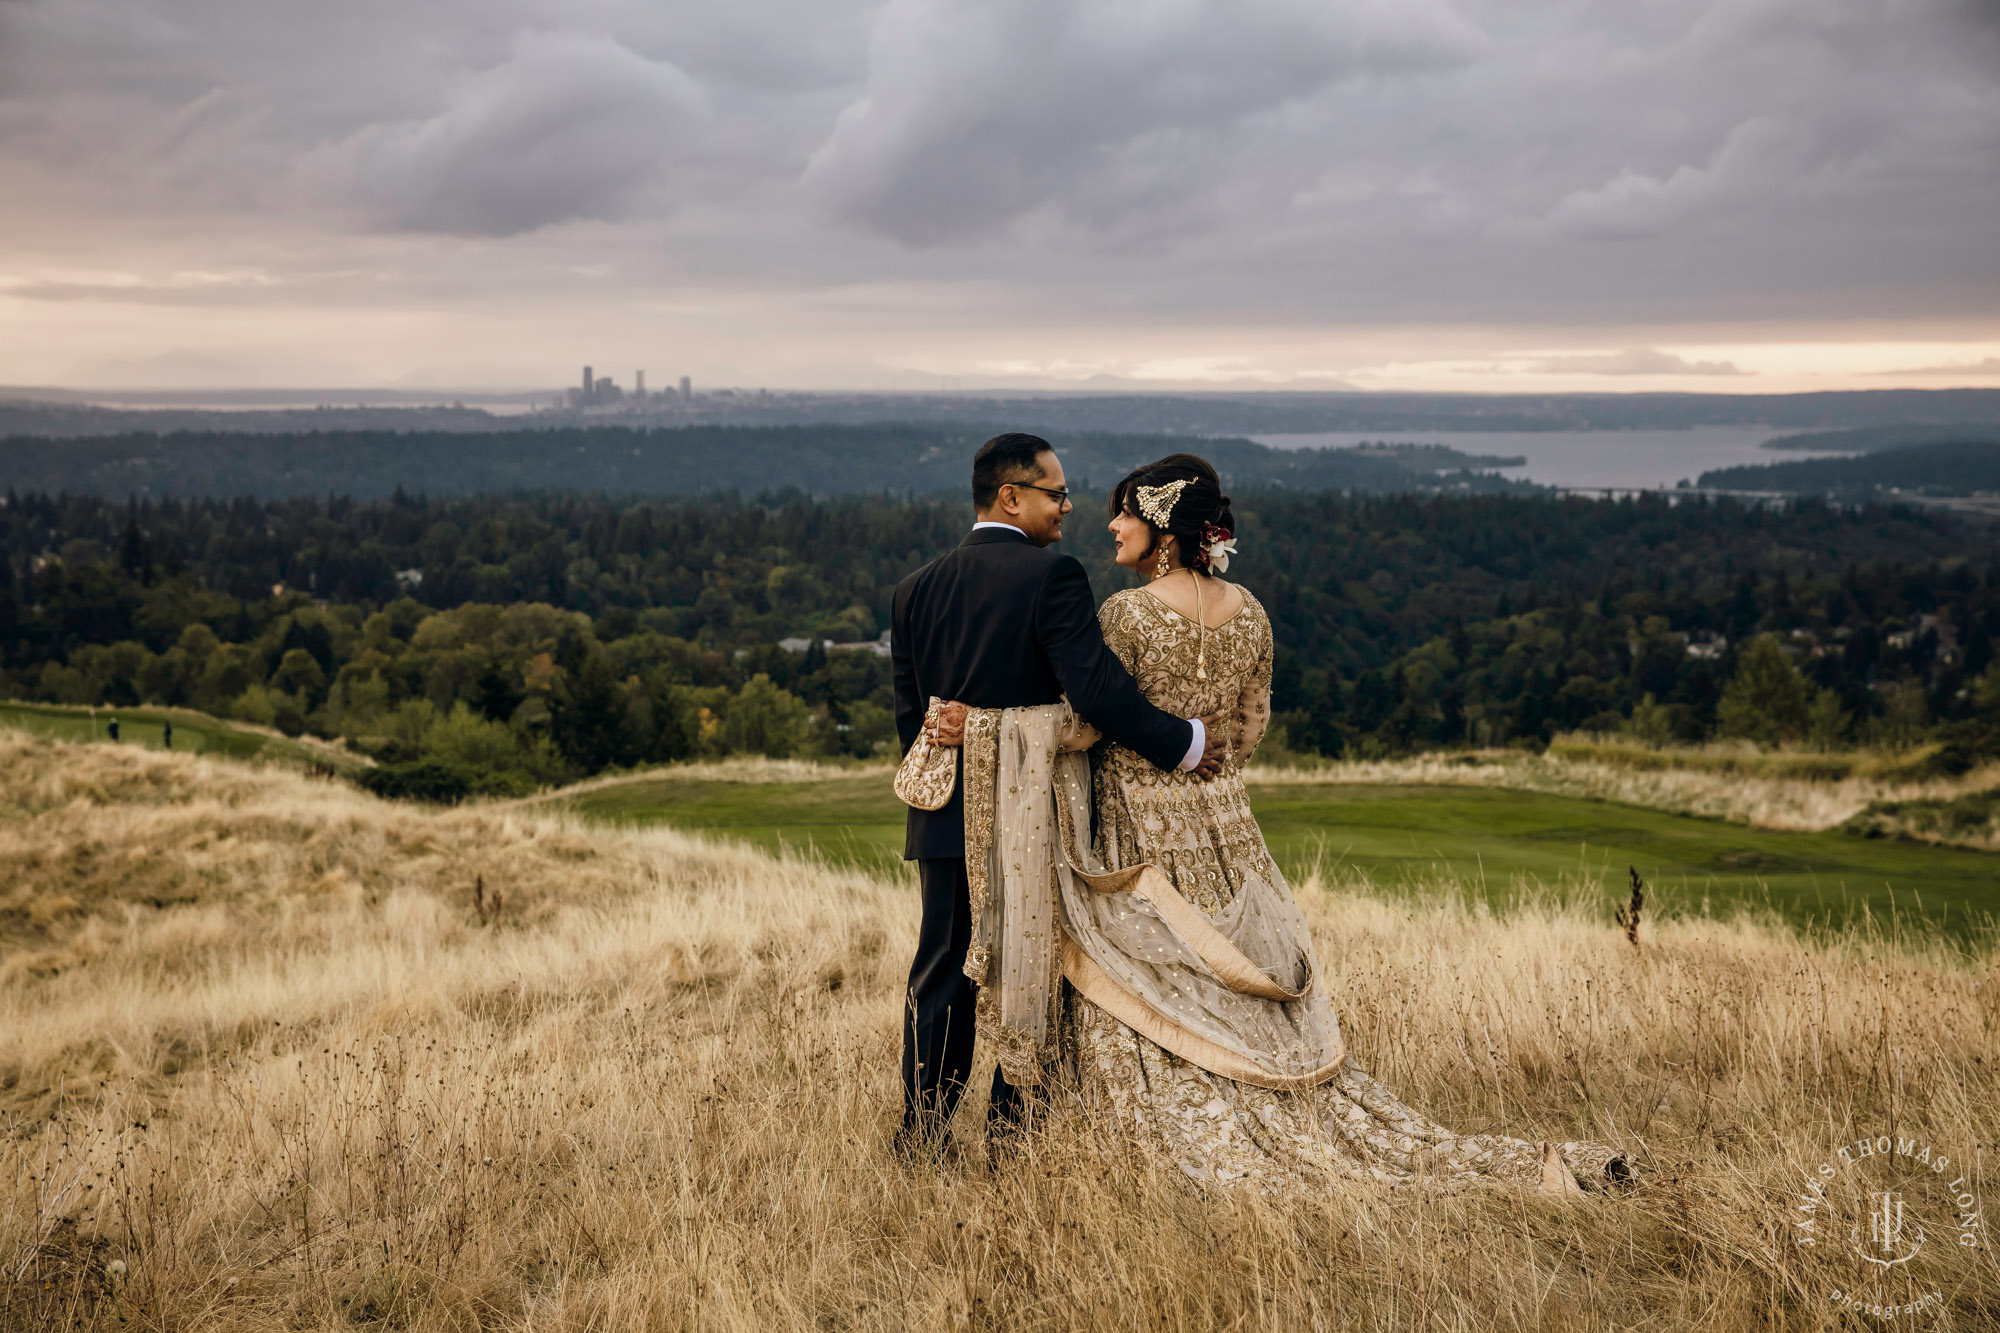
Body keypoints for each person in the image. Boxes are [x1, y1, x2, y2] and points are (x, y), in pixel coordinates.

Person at [932, 454, 1631, 1194]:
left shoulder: (1126, 615)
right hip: (1229, 833)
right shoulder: (1252, 613)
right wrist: (1206, 767)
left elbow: (1082, 725)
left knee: (1154, 982)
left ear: (1162, 529)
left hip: (1139, 833)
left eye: (1126, 513)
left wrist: (980, 726)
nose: (1110, 524)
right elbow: (1247, 728)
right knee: (1232, 971)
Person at [890, 433, 1228, 1156]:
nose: (1069, 508)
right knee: (1037, 964)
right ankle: (1014, 1137)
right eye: (1057, 493)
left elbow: (908, 716)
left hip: (943, 813)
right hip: (1031, 813)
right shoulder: (1053, 577)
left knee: (942, 969)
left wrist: (954, 768)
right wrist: (1184, 743)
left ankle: (921, 1134)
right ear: (1010, 496)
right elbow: (1098, 690)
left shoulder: (913, 587)